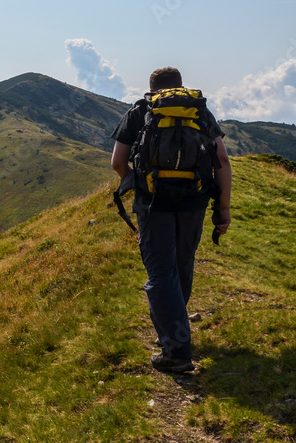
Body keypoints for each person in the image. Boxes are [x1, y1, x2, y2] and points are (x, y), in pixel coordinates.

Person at [110, 66, 232, 373]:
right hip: (194, 200)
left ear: (151, 89)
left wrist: (140, 184)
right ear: (180, 86)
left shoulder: (141, 111)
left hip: (153, 203)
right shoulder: (200, 112)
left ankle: (176, 350)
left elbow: (117, 162)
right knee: (182, 263)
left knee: (161, 271)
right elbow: (222, 160)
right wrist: (224, 208)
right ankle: (176, 330)